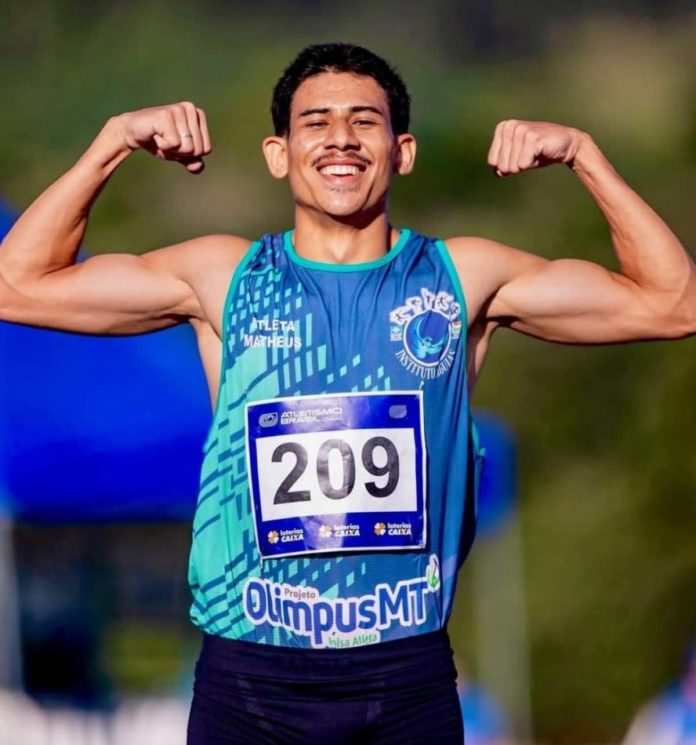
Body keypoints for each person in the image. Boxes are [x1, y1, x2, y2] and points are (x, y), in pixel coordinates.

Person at [0, 42, 694, 745]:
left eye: (365, 121)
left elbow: (672, 303)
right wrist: (113, 142)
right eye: (316, 122)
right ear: (279, 154)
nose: (341, 139)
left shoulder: (461, 278)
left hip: (405, 679)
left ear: (403, 151)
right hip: (252, 681)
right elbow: (17, 285)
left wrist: (583, 155)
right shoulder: (223, 278)